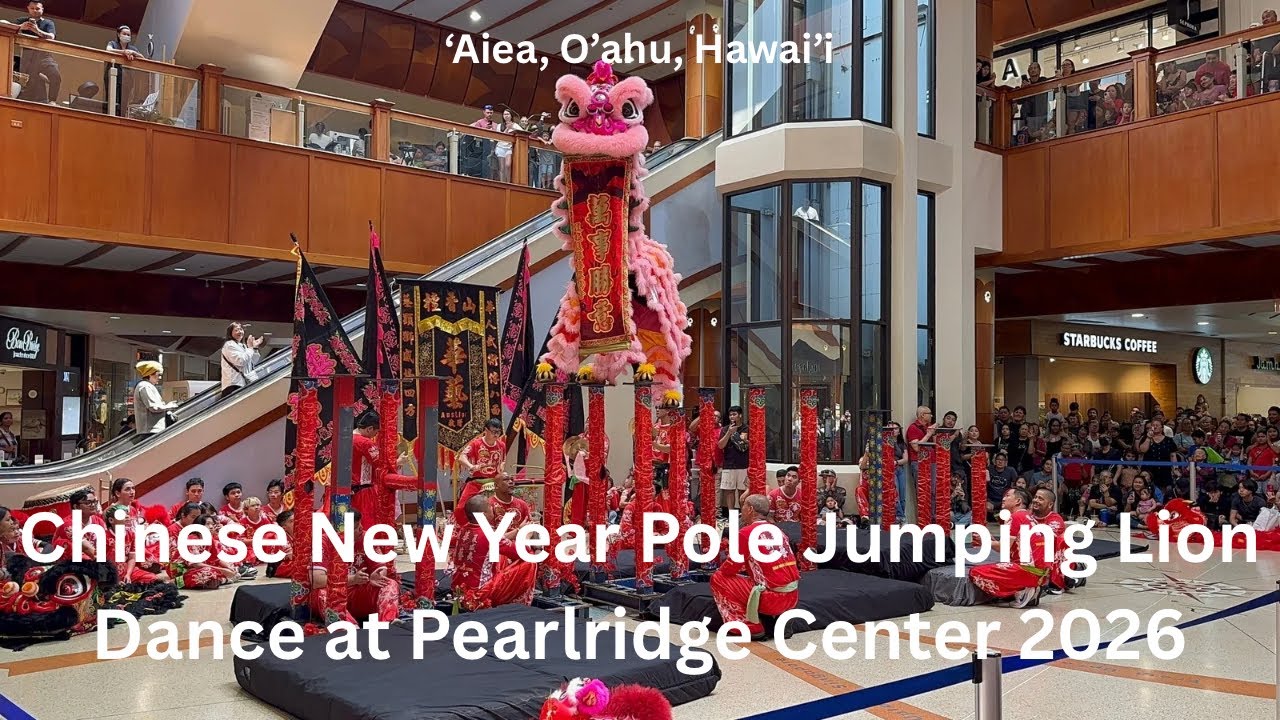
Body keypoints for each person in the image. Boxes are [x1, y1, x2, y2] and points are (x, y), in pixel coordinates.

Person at [709, 494, 800, 640]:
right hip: (793, 596)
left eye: (743, 505)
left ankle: (750, 627)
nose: (741, 510)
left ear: (750, 509)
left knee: (718, 578)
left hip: (772, 598)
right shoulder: (778, 531)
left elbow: (730, 568)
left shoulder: (746, 533)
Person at [449, 495, 537, 611]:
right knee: (530, 561)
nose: (493, 509)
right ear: (484, 514)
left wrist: (518, 531)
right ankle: (517, 603)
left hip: (458, 589)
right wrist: (526, 535)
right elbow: (521, 552)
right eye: (490, 507)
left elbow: (494, 541)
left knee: (500, 556)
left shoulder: (463, 529)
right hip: (480, 593)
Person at [967, 488, 1047, 608]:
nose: (1003, 498)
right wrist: (991, 540)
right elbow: (1008, 548)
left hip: (1027, 571)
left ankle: (1020, 591)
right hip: (1042, 574)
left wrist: (985, 542)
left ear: (1018, 501)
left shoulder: (1015, 517)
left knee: (975, 572)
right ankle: (1029, 589)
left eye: (1008, 495)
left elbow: (1003, 548)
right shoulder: (1028, 517)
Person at [5, 2, 60, 104]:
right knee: (28, 82)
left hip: (44, 55)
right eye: (32, 8)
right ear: (28, 9)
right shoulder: (22, 20)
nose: (35, 10)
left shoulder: (48, 23)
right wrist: (21, 27)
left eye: (37, 8)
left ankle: (52, 101)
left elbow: (52, 37)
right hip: (27, 57)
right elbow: (6, 27)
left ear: (42, 10)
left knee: (55, 75)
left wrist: (36, 30)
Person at [455, 418, 507, 525]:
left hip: (494, 482)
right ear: (486, 430)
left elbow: (503, 460)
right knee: (462, 507)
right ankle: (463, 531)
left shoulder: (501, 445)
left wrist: (502, 466)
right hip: (477, 481)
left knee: (501, 506)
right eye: (493, 432)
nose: (496, 435)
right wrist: (470, 466)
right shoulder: (476, 444)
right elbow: (461, 457)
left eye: (498, 432)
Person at [718, 406, 749, 515]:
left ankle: (744, 515)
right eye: (730, 415)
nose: (732, 417)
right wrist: (729, 433)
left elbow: (749, 445)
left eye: (734, 414)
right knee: (729, 491)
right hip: (729, 464)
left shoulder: (746, 428)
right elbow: (720, 446)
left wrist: (743, 440)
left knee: (743, 490)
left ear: (740, 415)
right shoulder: (725, 429)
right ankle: (731, 515)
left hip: (743, 464)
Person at [220, 322, 263, 399]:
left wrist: (255, 348)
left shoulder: (242, 346)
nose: (239, 332)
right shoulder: (229, 345)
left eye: (241, 329)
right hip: (233, 384)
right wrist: (250, 348)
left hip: (243, 383)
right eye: (236, 330)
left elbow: (253, 362)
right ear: (230, 333)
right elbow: (241, 361)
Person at [133, 360, 177, 434]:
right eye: (158, 374)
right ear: (150, 374)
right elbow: (154, 407)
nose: (160, 378)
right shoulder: (145, 386)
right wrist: (169, 406)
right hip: (150, 430)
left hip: (151, 430)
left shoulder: (146, 386)